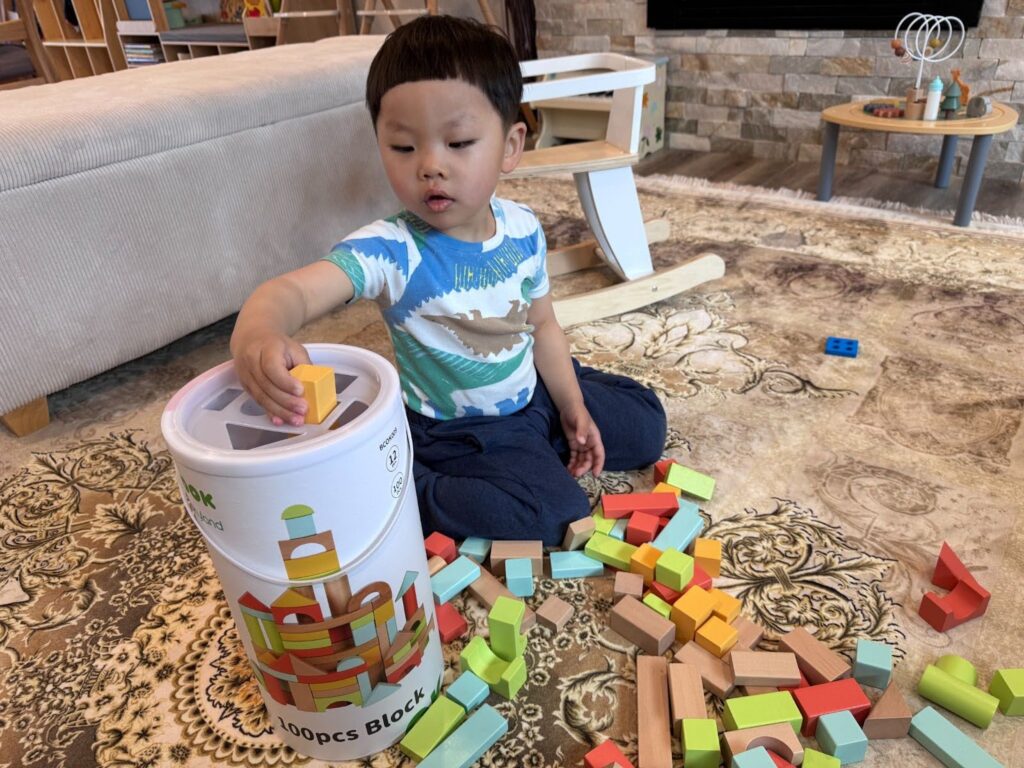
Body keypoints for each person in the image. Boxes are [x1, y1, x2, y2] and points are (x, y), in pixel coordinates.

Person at [230, 14, 666, 545]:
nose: (430, 166)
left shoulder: (523, 228)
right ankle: (399, 481)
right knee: (556, 516)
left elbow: (544, 326)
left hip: (531, 392)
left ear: (510, 146)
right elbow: (291, 292)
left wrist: (572, 406)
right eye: (404, 147)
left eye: (458, 142)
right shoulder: (390, 249)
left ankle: (542, 439)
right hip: (457, 431)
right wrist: (258, 332)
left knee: (647, 425)